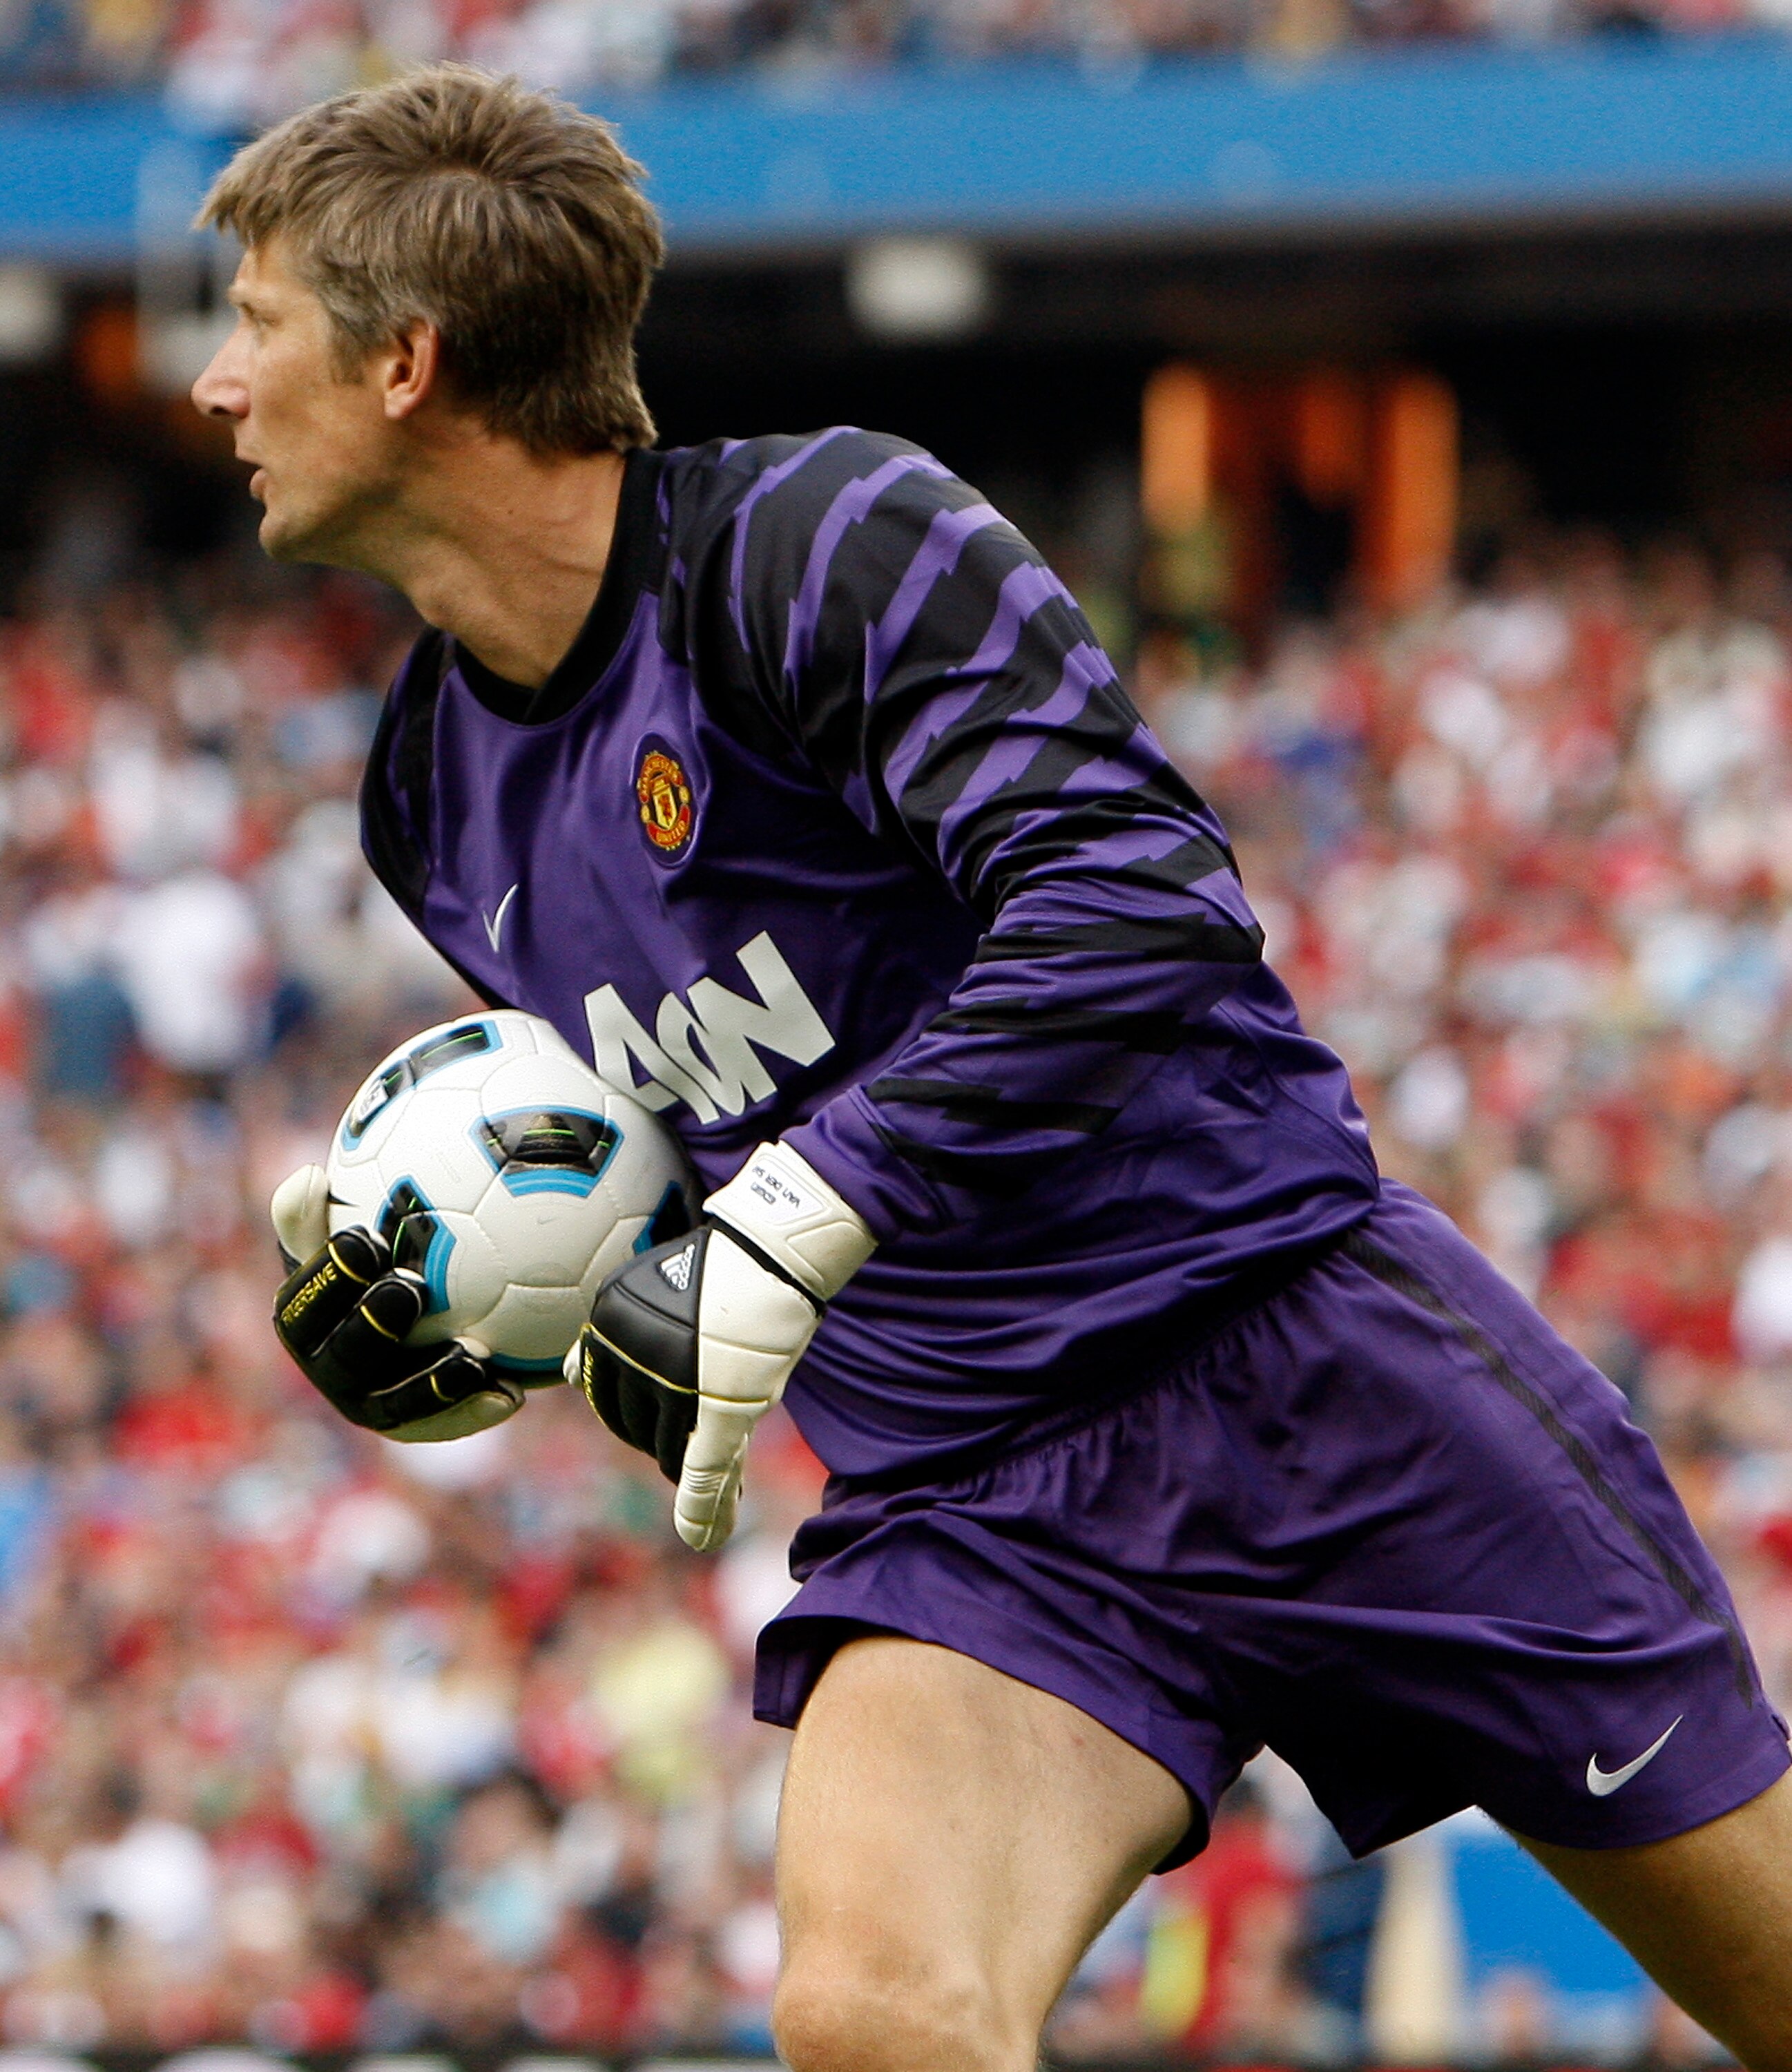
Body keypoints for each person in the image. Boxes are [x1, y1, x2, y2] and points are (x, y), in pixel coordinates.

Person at [194, 64, 1792, 2070]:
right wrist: (450, 1255)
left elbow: (1136, 897)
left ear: (408, 360)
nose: (214, 388)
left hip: (1305, 1367)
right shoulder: (428, 793)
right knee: (873, 2014)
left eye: (253, 325)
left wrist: (794, 1208)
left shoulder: (822, 536)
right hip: (980, 1500)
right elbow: (692, 1129)